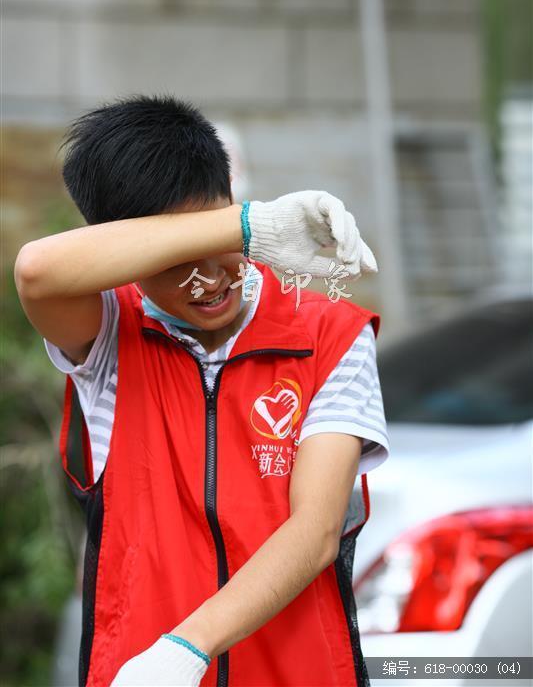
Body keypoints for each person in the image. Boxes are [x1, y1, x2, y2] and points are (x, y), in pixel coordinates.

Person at [14, 95, 390, 687]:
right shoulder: (110, 334)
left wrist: (188, 647)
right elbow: (36, 271)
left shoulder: (331, 336)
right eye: (174, 260)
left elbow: (315, 531)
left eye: (220, 248)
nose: (209, 279)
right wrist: (246, 228)